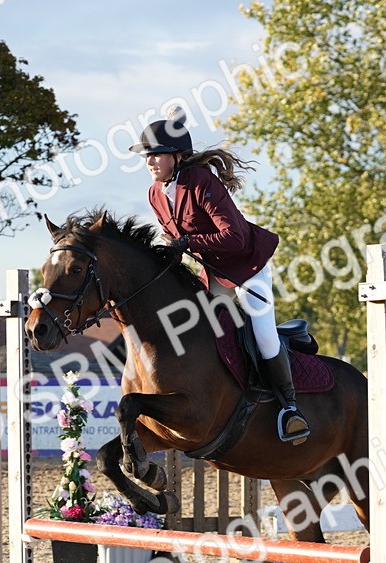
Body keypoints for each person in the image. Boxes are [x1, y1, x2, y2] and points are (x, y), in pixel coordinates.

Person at [129, 106, 310, 444]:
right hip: (211, 273)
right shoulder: (155, 194)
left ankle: (290, 408)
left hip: (246, 268)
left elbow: (236, 237)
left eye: (156, 155)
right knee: (200, 330)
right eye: (147, 156)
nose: (150, 162)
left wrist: (187, 242)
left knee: (264, 335)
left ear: (178, 156)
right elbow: (174, 241)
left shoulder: (201, 181)